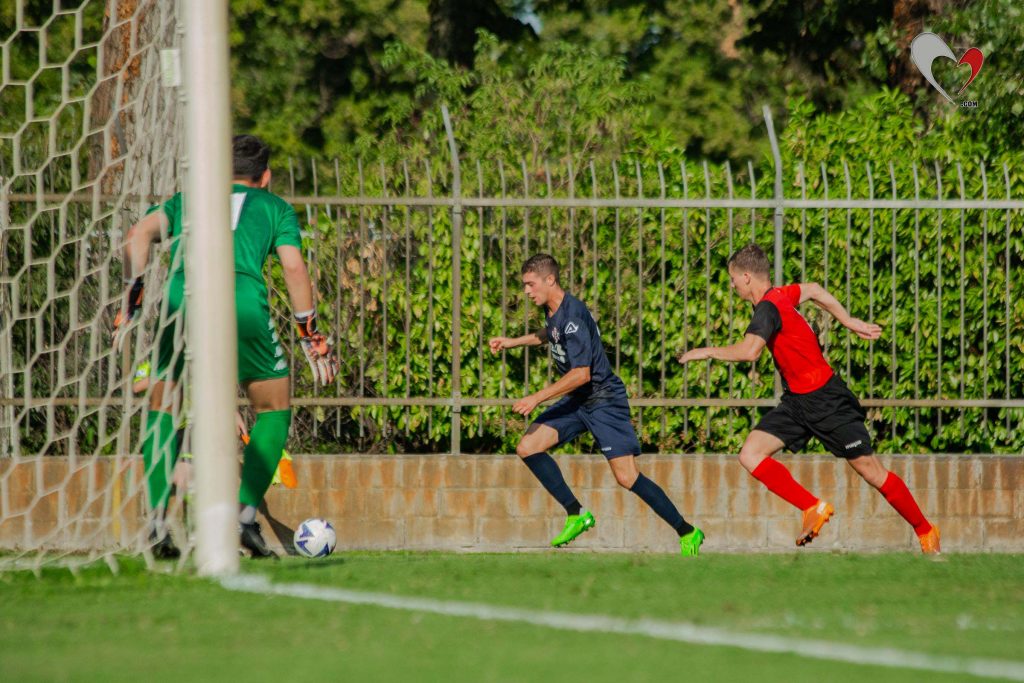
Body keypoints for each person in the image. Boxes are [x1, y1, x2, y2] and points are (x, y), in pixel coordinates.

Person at [114, 134, 338, 559]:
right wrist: (311, 335)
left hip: (185, 299)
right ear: (266, 176)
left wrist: (133, 297)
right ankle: (242, 518)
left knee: (164, 404)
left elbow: (138, 233)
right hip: (242, 303)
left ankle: (160, 521)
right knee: (273, 407)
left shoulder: (189, 200)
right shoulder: (274, 207)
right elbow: (293, 265)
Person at [677, 244, 939, 553]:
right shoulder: (779, 296)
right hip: (797, 403)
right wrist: (846, 319)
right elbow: (813, 290)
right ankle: (812, 507)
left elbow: (750, 351)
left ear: (746, 277)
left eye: (733, 279)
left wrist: (706, 351)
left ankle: (926, 531)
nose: (732, 285)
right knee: (750, 454)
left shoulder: (767, 307)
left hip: (827, 401)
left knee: (871, 470)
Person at [489, 254, 705, 556]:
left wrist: (536, 397)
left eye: (530, 284)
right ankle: (576, 513)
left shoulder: (573, 316)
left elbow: (582, 373)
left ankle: (688, 531)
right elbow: (549, 335)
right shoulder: (555, 311)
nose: (526, 291)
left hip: (603, 399)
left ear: (549, 280)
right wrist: (512, 341)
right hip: (580, 399)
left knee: (627, 477)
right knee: (528, 446)